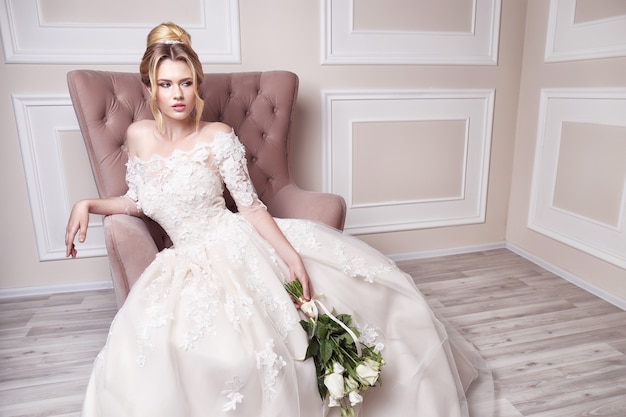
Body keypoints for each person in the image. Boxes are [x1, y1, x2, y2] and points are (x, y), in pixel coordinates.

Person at [65, 22, 492, 417]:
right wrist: (88, 203)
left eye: (186, 82)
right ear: (151, 89)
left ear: (197, 85)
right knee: (165, 350)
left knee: (295, 337)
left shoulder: (218, 136)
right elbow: (138, 200)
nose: (177, 94)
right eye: (165, 84)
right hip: (182, 263)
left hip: (234, 244)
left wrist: (291, 258)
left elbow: (250, 207)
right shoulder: (139, 135)